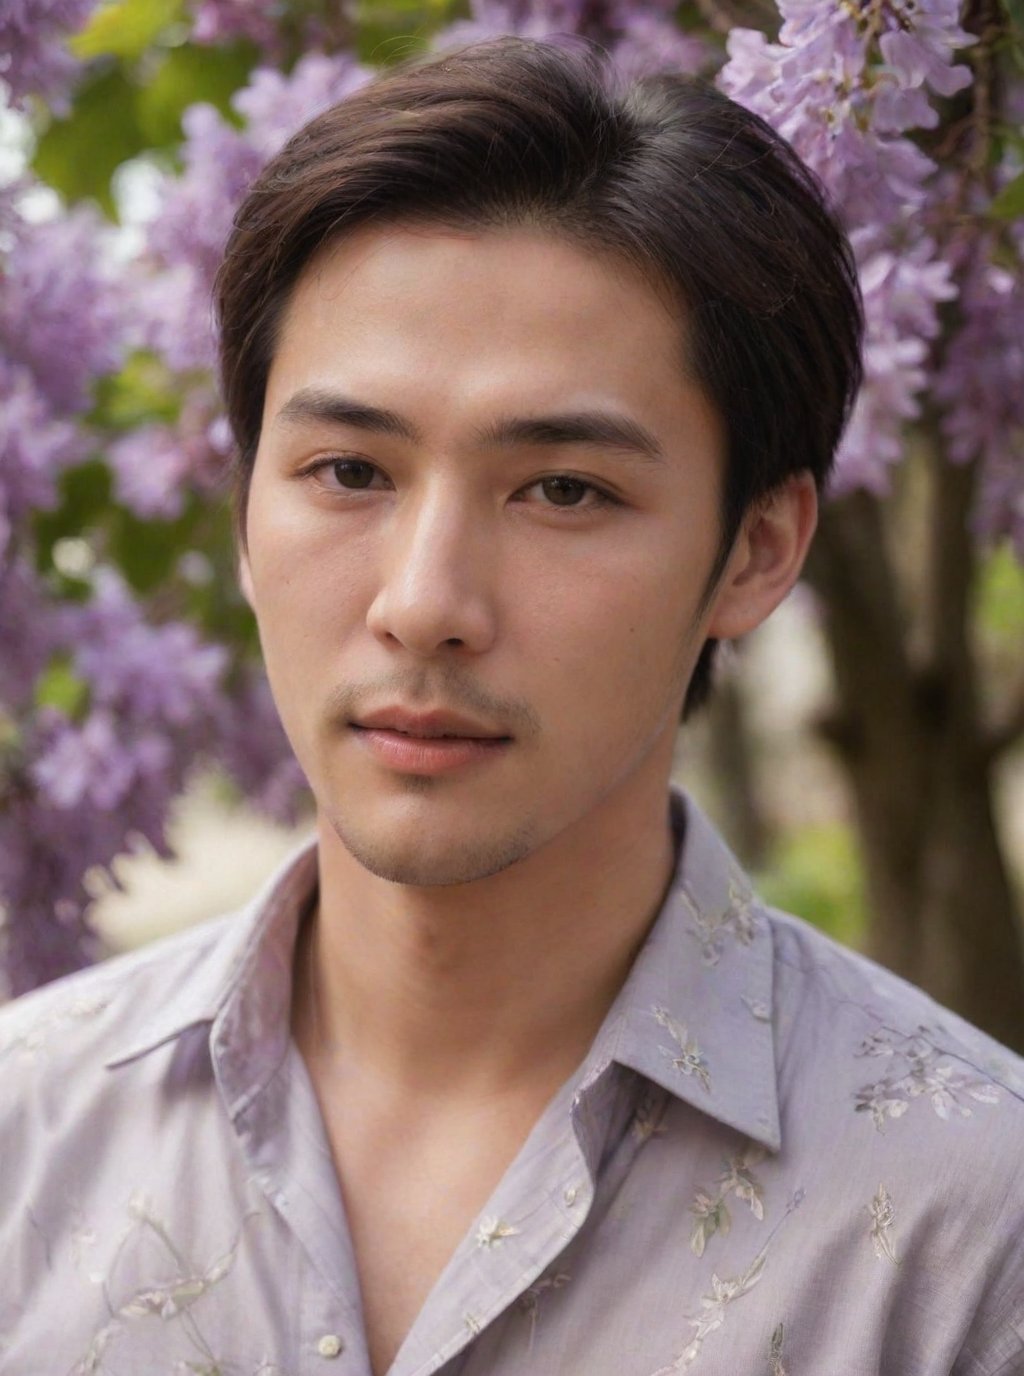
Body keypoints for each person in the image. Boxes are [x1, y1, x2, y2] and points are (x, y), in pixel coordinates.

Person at [2, 36, 1022, 1376]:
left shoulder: (978, 1229)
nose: (425, 604)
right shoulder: (27, 1131)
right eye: (348, 470)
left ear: (757, 552)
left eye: (564, 491)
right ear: (241, 509)